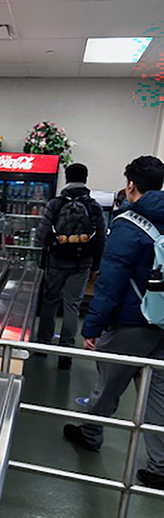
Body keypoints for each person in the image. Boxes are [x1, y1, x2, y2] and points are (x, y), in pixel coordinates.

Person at [63, 155, 164, 489]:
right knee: (159, 395)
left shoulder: (129, 223)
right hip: (162, 322)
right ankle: (160, 466)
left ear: (131, 185)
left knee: (108, 383)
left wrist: (91, 327)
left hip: (130, 321)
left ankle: (91, 433)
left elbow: (109, 283)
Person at [36, 163, 106, 369]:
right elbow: (101, 239)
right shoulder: (94, 206)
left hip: (56, 261)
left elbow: (41, 236)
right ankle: (65, 353)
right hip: (81, 263)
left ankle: (43, 346)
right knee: (72, 305)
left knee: (49, 302)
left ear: (66, 178)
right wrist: (95, 265)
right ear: (86, 178)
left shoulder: (55, 204)